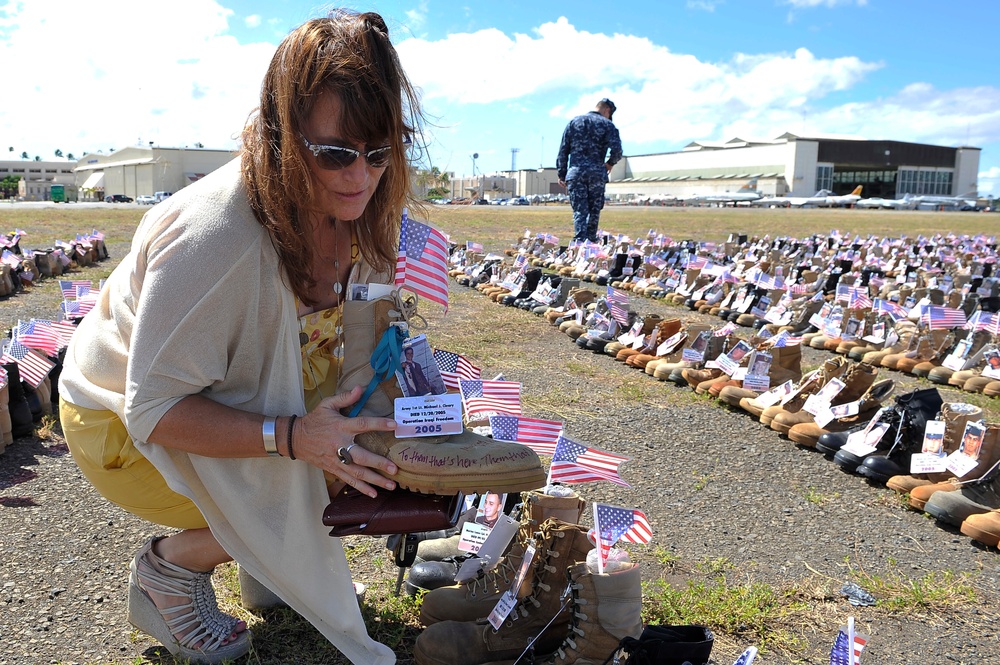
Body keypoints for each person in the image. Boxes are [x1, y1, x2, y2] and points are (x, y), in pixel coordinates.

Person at [57, 12, 421, 664]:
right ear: (283, 135)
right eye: (336, 151)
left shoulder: (367, 214)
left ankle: (272, 565)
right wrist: (291, 439)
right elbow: (155, 408)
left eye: (382, 148)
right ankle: (169, 569)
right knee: (318, 478)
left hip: (239, 391)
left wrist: (391, 412)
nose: (361, 175)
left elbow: (367, 342)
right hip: (119, 417)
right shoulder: (215, 237)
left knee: (359, 454)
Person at [556, 98, 623, 243]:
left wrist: (562, 173)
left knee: (580, 211)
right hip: (596, 173)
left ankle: (579, 244)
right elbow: (617, 151)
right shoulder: (608, 125)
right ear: (607, 110)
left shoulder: (574, 122)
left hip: (576, 173)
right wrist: (609, 164)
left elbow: (563, 151)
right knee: (594, 211)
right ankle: (591, 244)